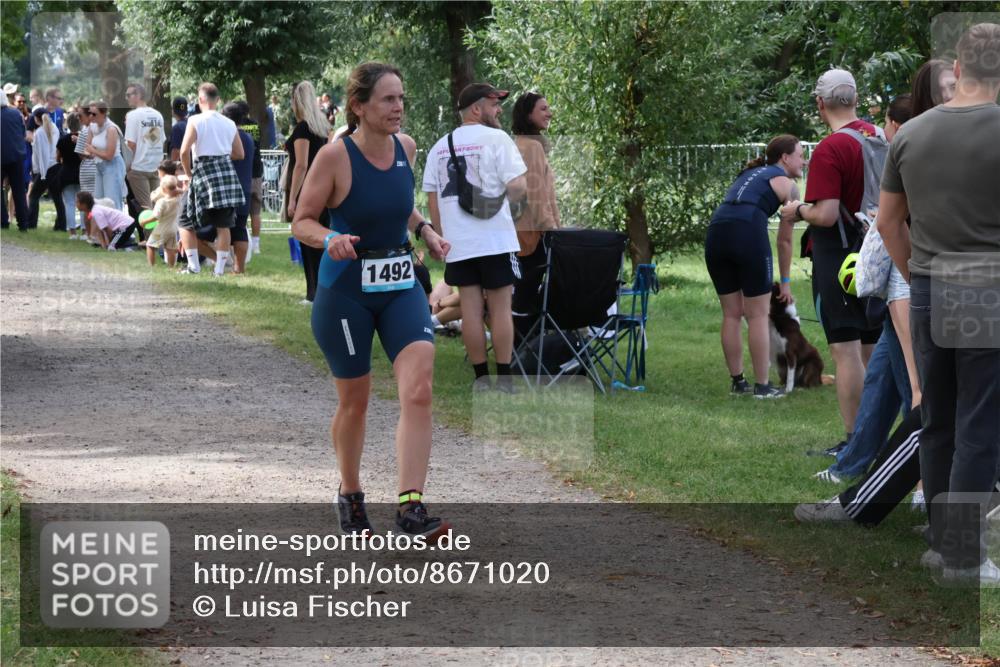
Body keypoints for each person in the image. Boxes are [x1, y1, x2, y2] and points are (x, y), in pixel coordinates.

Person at [291, 61, 452, 538]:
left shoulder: (405, 147)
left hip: (401, 281)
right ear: (358, 106)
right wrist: (327, 240)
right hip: (346, 294)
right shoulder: (335, 157)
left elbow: (398, 203)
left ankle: (410, 509)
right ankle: (351, 493)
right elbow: (303, 219)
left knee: (419, 388)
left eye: (401, 98)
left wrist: (424, 229)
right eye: (388, 99)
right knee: (355, 402)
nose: (399, 107)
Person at [879, 23, 1000, 584]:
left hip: (929, 286)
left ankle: (940, 544)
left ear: (958, 64)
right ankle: (963, 557)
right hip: (988, 288)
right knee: (980, 420)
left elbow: (887, 222)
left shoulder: (910, 133)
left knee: (938, 418)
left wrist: (916, 275)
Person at [781, 69, 882, 450]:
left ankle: (855, 440)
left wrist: (797, 210)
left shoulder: (830, 148)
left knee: (845, 349)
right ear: (855, 99)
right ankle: (882, 435)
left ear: (820, 103)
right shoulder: (880, 137)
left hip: (840, 256)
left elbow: (825, 214)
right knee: (874, 347)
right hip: (878, 249)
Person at [423, 83, 528, 390]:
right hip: (494, 239)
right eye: (495, 105)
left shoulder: (440, 146)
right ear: (477, 108)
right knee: (499, 309)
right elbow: (519, 187)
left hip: (458, 242)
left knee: (470, 311)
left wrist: (440, 237)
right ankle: (505, 379)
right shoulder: (497, 139)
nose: (499, 111)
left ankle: (481, 378)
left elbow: (432, 198)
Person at [707, 134, 805, 398]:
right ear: (785, 157)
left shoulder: (752, 173)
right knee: (758, 314)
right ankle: (763, 387)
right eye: (800, 156)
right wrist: (785, 283)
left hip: (716, 231)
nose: (804, 162)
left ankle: (738, 383)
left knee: (731, 314)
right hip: (747, 231)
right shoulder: (788, 185)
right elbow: (784, 241)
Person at [176, 82, 246, 277]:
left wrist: (189, 174)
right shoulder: (229, 123)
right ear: (218, 100)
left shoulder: (195, 120)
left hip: (203, 173)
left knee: (184, 221)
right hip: (226, 174)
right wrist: (221, 157)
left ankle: (193, 267)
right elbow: (239, 153)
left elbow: (183, 151)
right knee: (224, 226)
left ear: (200, 100)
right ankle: (219, 270)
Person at [285, 80, 331, 303]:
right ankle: (319, 291)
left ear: (296, 101)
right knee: (319, 240)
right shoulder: (322, 127)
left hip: (306, 188)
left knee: (306, 238)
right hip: (323, 188)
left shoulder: (302, 128)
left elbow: (301, 164)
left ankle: (312, 293)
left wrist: (293, 198)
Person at [124, 83, 165, 211]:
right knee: (157, 208)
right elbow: (161, 139)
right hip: (155, 166)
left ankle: (152, 232)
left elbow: (131, 144)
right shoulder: (158, 114)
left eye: (129, 95)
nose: (127, 98)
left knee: (146, 210)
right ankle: (160, 232)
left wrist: (127, 168)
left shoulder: (132, 115)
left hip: (138, 168)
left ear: (139, 95)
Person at [83, 100, 127, 210]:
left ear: (103, 114)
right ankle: (102, 227)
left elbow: (109, 156)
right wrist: (88, 153)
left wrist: (93, 150)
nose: (91, 116)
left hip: (113, 165)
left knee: (112, 201)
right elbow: (87, 148)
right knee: (98, 200)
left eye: (94, 114)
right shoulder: (92, 127)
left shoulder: (111, 129)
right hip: (99, 166)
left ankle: (118, 227)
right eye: (89, 113)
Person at [28, 106, 64, 230]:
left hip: (46, 169)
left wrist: (40, 172)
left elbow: (42, 154)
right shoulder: (54, 128)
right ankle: (61, 225)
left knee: (33, 196)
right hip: (56, 166)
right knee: (57, 197)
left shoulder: (39, 132)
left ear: (37, 119)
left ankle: (31, 223)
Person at [1, 93, 29, 231]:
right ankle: (23, 224)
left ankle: (3, 221)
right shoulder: (16, 114)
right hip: (17, 156)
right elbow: (23, 134)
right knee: (19, 191)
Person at [57, 112, 85, 239]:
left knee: (69, 203)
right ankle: (85, 231)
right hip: (81, 172)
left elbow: (58, 157)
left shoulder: (62, 140)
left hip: (67, 172)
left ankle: (72, 232)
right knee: (84, 203)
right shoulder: (84, 138)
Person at [144, 175, 182, 267]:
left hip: (161, 229)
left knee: (150, 246)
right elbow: (182, 191)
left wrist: (144, 222)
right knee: (170, 249)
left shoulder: (162, 202)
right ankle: (171, 267)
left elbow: (156, 216)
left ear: (163, 189)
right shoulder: (178, 199)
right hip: (173, 229)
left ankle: (151, 265)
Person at [169, 96, 188, 161]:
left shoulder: (177, 128)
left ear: (173, 111)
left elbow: (176, 151)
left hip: (181, 166)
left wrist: (172, 166)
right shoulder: (191, 123)